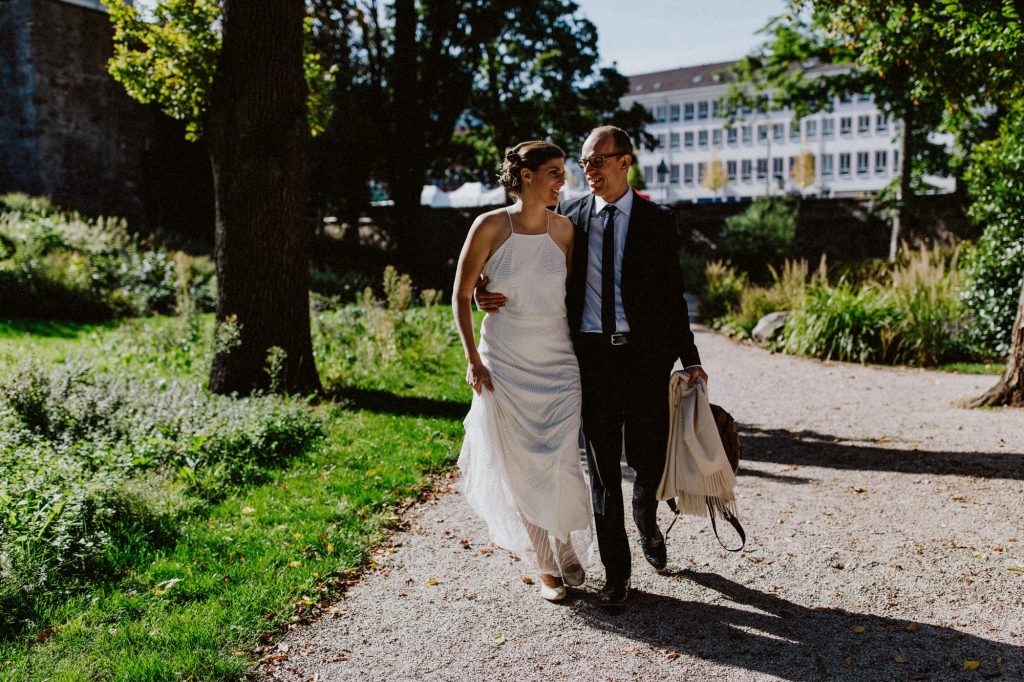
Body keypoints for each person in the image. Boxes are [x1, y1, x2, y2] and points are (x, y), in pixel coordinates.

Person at [476, 126, 707, 608]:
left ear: (625, 162)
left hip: (644, 359)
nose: (589, 170)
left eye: (598, 160)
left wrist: (692, 359)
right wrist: (485, 289)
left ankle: (646, 514)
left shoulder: (658, 221)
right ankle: (617, 576)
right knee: (602, 471)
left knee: (648, 461)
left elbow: (671, 296)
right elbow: (528, 263)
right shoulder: (570, 217)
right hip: (590, 359)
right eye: (584, 162)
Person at [453, 141, 593, 602]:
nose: (562, 181)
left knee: (560, 461)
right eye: (554, 172)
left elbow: (572, 299)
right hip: (505, 364)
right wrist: (474, 359)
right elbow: (460, 294)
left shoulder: (566, 230)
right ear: (526, 175)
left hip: (558, 361)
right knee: (521, 468)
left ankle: (566, 541)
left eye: (564, 172)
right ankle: (546, 566)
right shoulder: (490, 225)